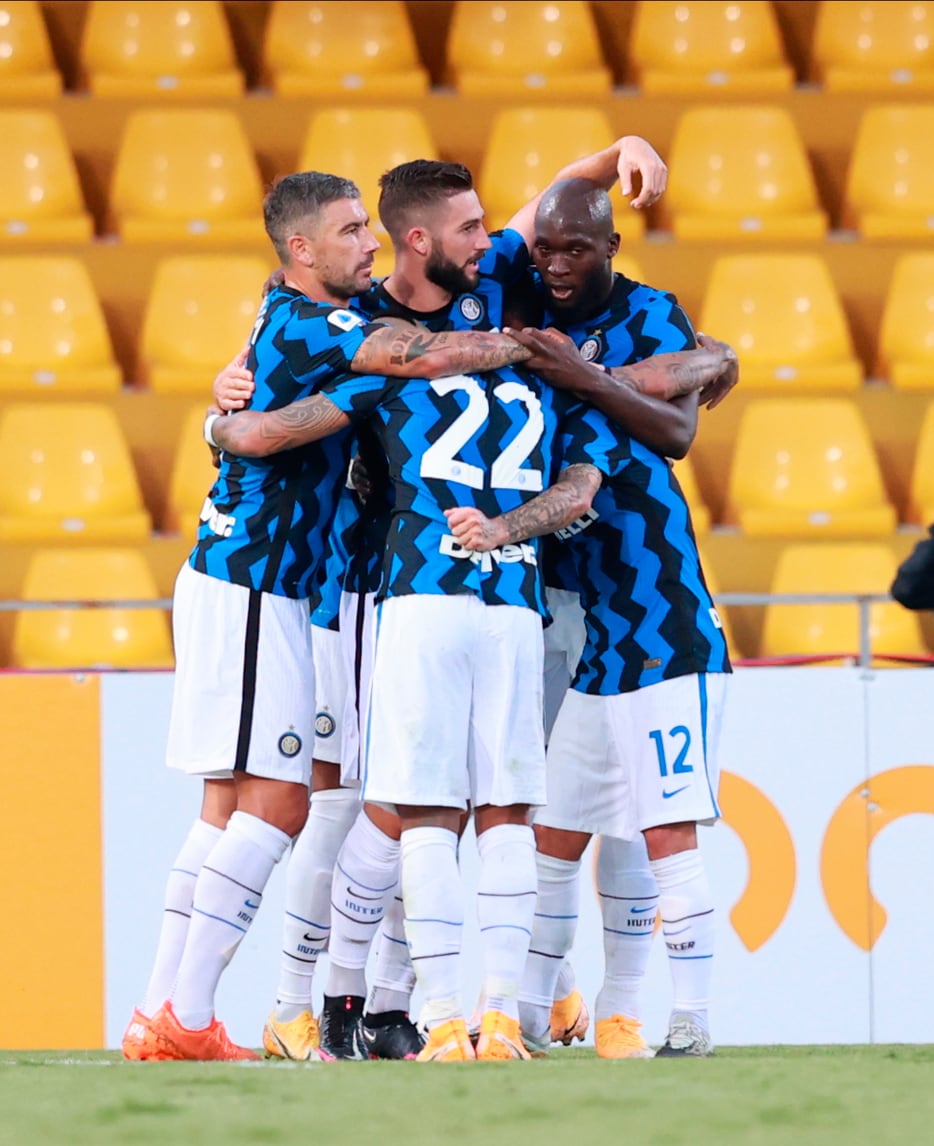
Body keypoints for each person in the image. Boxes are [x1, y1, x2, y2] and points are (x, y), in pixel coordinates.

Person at [213, 138, 674, 1061]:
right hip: (380, 585)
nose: (498, 242)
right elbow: (271, 378)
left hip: (419, 583)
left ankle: (398, 1006)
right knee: (376, 805)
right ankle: (330, 999)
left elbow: (275, 418)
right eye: (470, 227)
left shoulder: (457, 304)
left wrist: (614, 153)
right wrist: (223, 402)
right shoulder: (379, 323)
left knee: (417, 808)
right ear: (420, 240)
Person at [121, 170, 538, 1063]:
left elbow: (266, 420)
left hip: (254, 581)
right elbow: (413, 359)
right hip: (255, 580)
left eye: (367, 227)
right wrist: (529, 348)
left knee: (226, 806)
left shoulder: (291, 313)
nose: (368, 242)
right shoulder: (319, 324)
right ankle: (189, 1015)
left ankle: (165, 1012)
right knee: (279, 803)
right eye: (350, 231)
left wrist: (225, 424)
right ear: (302, 249)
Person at [448, 177, 736, 1059]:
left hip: (662, 622)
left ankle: (681, 1018)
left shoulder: (626, 341)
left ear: (611, 246)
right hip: (586, 633)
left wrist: (580, 377)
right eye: (546, 250)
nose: (557, 265)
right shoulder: (534, 340)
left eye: (577, 249)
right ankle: (535, 1013)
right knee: (556, 831)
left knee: (663, 830)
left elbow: (671, 431)